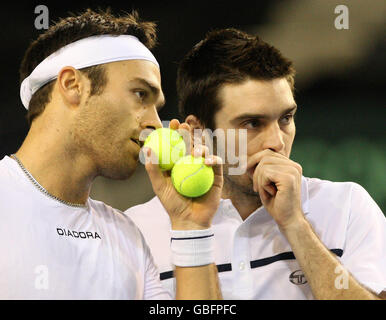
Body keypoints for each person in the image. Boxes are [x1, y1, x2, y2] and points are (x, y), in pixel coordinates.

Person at [126, 28, 386, 300]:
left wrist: (295, 225)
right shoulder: (137, 231)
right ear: (200, 132)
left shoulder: (348, 207)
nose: (277, 142)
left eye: (286, 118)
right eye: (252, 124)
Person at [0, 9, 224, 299]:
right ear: (72, 85)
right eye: (141, 94)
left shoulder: (127, 236)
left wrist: (191, 227)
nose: (156, 124)